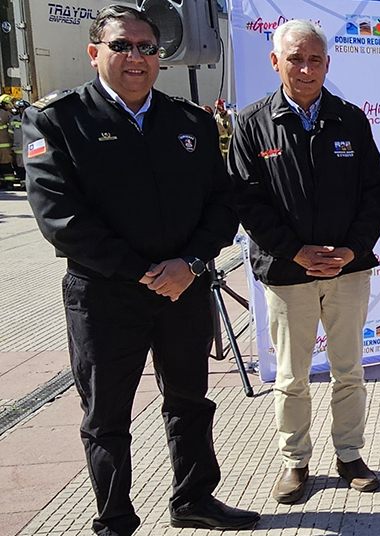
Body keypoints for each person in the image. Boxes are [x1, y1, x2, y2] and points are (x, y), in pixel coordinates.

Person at [23, 5, 259, 535]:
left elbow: (222, 205)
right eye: (122, 46)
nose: (136, 57)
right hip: (106, 296)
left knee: (190, 401)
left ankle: (194, 499)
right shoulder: (57, 120)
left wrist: (192, 265)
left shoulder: (190, 122)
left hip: (184, 290)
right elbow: (61, 218)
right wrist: (145, 272)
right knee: (106, 417)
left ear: (160, 57)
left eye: (147, 48)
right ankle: (114, 520)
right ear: (95, 53)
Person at [229, 19, 380, 503]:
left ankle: (349, 455)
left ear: (327, 63)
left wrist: (351, 250)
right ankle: (295, 463)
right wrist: (295, 251)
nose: (304, 68)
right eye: (294, 58)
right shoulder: (252, 122)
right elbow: (246, 200)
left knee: (349, 371)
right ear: (275, 62)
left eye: (314, 59)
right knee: (292, 378)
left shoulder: (351, 118)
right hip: (286, 273)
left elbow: (373, 194)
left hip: (348, 271)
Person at [0, 95, 15, 187]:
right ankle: (9, 182)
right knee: (6, 164)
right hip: (5, 145)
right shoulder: (6, 114)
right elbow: (12, 132)